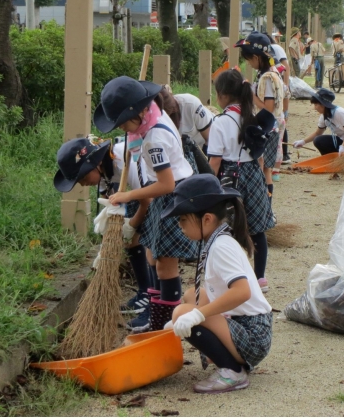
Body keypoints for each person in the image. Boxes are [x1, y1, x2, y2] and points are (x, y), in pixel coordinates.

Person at [94, 76, 198, 332]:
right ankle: (155, 313)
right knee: (152, 256)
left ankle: (165, 322)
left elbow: (166, 184)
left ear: (140, 113)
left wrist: (128, 196)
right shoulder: (154, 118)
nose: (122, 130)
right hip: (164, 198)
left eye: (123, 124)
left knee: (164, 264)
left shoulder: (154, 139)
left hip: (173, 199)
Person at [163, 174, 272, 394]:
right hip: (246, 324)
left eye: (183, 219)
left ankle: (232, 371)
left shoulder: (221, 246)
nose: (180, 225)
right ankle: (226, 357)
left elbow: (241, 292)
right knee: (191, 296)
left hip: (254, 334)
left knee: (183, 312)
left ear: (207, 219)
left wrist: (198, 315)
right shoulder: (218, 240)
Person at [54, 135, 153, 330]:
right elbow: (107, 199)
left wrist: (131, 224)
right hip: (134, 193)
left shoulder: (128, 161)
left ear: (96, 163)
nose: (82, 184)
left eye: (83, 177)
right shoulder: (103, 172)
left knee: (152, 245)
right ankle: (144, 292)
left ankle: (154, 303)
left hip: (160, 190)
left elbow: (148, 201)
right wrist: (113, 229)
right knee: (130, 241)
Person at [208, 69, 275, 291]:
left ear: (223, 95)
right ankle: (260, 278)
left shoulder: (220, 122)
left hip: (230, 177)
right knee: (257, 228)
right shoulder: (250, 117)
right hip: (253, 174)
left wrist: (208, 186)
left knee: (230, 227)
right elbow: (259, 154)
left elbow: (215, 161)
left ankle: (235, 278)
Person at [236, 31, 286, 205]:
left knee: (263, 169)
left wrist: (250, 93)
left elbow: (268, 108)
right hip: (274, 125)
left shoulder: (267, 77)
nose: (249, 63)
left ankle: (264, 208)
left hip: (267, 126)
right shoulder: (274, 72)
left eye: (249, 59)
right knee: (267, 169)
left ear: (257, 57)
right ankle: (267, 209)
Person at [293, 88, 344, 168]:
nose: (315, 108)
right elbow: (318, 133)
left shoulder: (339, 113)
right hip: (343, 140)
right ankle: (334, 159)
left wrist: (342, 146)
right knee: (318, 140)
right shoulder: (324, 116)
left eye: (316, 104)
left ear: (323, 104)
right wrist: (303, 142)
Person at [265, 33, 292, 165]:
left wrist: (285, 85)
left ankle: (284, 155)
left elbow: (286, 66)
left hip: (280, 86)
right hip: (279, 86)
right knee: (280, 122)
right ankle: (280, 157)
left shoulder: (275, 48)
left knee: (280, 122)